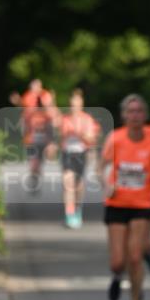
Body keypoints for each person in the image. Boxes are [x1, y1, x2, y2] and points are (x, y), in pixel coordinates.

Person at [102, 94, 150, 300]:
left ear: (145, 115)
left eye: (139, 111)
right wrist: (107, 183)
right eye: (130, 111)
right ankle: (116, 276)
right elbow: (101, 166)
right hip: (117, 204)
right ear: (124, 116)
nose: (135, 115)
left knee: (134, 255)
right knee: (117, 261)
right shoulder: (115, 139)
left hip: (142, 204)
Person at [59, 89, 99, 228]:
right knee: (67, 181)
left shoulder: (87, 119)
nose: (74, 107)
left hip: (81, 153)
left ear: (81, 105)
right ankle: (69, 214)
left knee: (78, 185)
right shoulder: (65, 119)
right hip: (67, 153)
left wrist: (79, 133)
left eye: (76, 104)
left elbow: (92, 139)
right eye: (72, 104)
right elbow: (60, 137)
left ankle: (77, 209)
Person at [15, 79, 59, 192]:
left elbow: (52, 113)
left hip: (44, 135)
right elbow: (23, 110)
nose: (36, 89)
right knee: (33, 160)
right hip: (31, 136)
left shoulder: (46, 96)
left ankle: (36, 175)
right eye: (34, 86)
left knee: (39, 161)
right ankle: (34, 174)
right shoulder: (28, 97)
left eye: (38, 86)